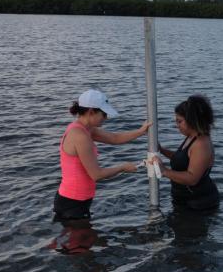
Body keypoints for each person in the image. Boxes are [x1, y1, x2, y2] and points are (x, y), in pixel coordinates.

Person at [54, 89, 151, 222]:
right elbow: (96, 175)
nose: (106, 118)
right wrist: (123, 167)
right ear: (91, 112)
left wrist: (141, 131)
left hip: (76, 200)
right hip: (72, 204)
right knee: (80, 242)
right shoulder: (80, 136)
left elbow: (115, 138)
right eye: (104, 114)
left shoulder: (86, 129)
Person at [154, 95, 220, 211]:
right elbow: (182, 159)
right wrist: (162, 150)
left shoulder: (201, 143)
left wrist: (164, 171)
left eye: (179, 121)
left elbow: (192, 178)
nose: (177, 126)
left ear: (191, 120)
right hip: (186, 200)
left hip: (198, 204)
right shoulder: (191, 137)